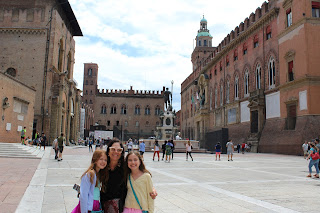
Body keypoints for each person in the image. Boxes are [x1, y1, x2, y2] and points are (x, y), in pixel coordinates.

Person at [100, 139, 157, 213]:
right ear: (108, 151)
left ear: (122, 152)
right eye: (113, 149)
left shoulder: (124, 167)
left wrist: (152, 189)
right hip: (103, 205)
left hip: (121, 207)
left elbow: (139, 176)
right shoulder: (102, 165)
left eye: (119, 150)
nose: (116, 152)